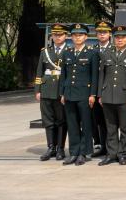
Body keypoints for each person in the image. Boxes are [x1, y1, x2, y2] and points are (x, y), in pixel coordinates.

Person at [59, 23, 100, 166]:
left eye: (80, 35)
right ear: (71, 37)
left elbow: (94, 76)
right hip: (69, 93)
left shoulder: (92, 53)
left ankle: (84, 152)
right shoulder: (67, 53)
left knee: (86, 124)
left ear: (86, 37)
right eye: (75, 35)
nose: (77, 37)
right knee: (72, 125)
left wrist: (93, 94)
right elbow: (63, 75)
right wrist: (62, 93)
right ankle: (74, 152)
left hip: (84, 94)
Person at [97, 25, 126, 165]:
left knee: (125, 128)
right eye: (117, 37)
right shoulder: (106, 53)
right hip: (108, 95)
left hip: (124, 96)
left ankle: (123, 154)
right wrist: (100, 94)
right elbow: (102, 75)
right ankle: (111, 154)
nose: (119, 40)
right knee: (111, 127)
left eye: (123, 37)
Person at [35, 22, 69, 161]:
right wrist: (37, 90)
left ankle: (60, 148)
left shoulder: (69, 51)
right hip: (47, 89)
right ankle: (50, 147)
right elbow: (39, 71)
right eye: (55, 35)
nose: (57, 37)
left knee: (61, 120)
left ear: (65, 36)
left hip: (61, 89)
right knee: (48, 120)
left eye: (60, 35)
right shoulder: (45, 51)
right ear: (52, 36)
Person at [91, 20, 113, 158]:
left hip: (110, 89)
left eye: (104, 32)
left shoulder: (114, 49)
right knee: (98, 120)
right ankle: (103, 146)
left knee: (110, 122)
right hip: (95, 90)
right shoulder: (92, 49)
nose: (102, 35)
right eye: (99, 32)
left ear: (109, 34)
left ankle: (111, 148)